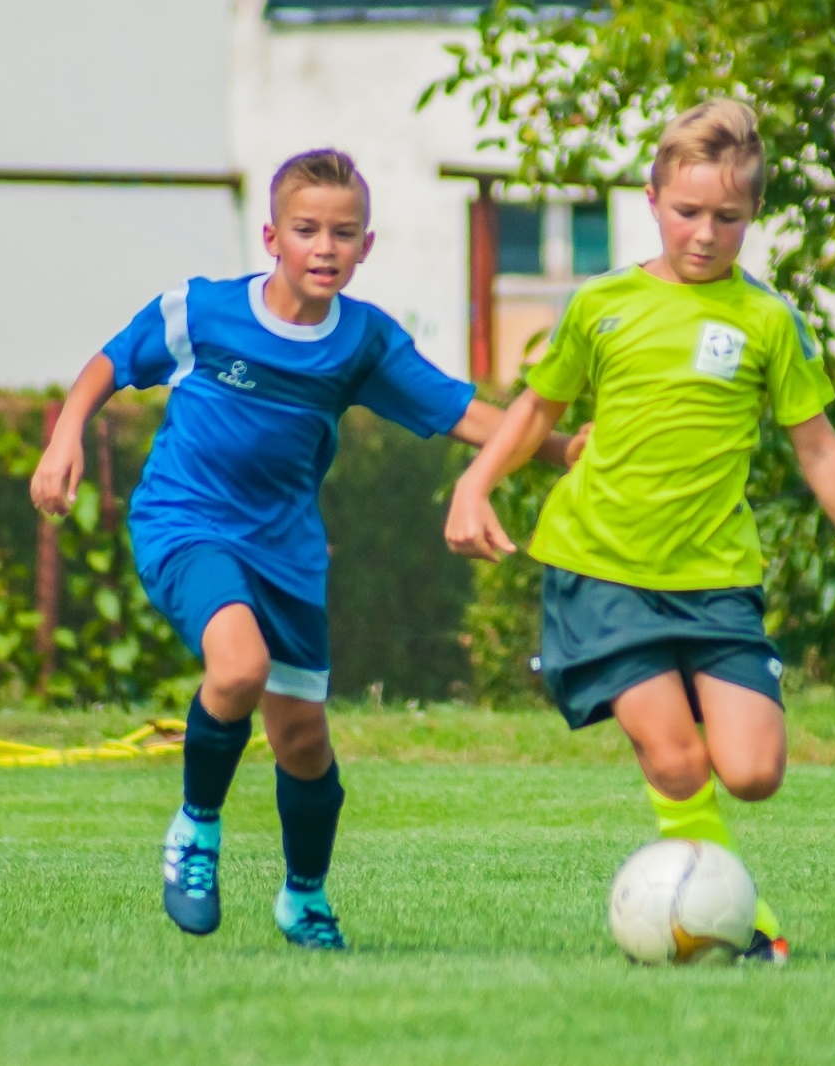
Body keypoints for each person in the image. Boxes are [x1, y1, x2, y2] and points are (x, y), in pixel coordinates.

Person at [32, 148, 573, 950]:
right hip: (188, 522)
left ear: (367, 247)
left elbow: (461, 413)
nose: (325, 247)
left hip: (285, 553)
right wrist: (64, 435)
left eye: (344, 233)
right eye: (307, 230)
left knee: (303, 744)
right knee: (238, 668)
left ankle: (304, 898)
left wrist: (562, 451)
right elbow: (111, 362)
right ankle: (195, 831)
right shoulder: (204, 311)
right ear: (272, 237)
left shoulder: (361, 342)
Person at [444, 99, 835, 963]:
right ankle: (739, 919)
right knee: (680, 764)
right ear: (652, 198)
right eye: (687, 211)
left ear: (752, 215)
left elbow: (818, 447)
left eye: (727, 217)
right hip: (600, 570)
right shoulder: (603, 304)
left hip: (715, 579)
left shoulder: (768, 321)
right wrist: (476, 481)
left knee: (756, 772)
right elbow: (540, 405)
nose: (704, 233)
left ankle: (702, 815)